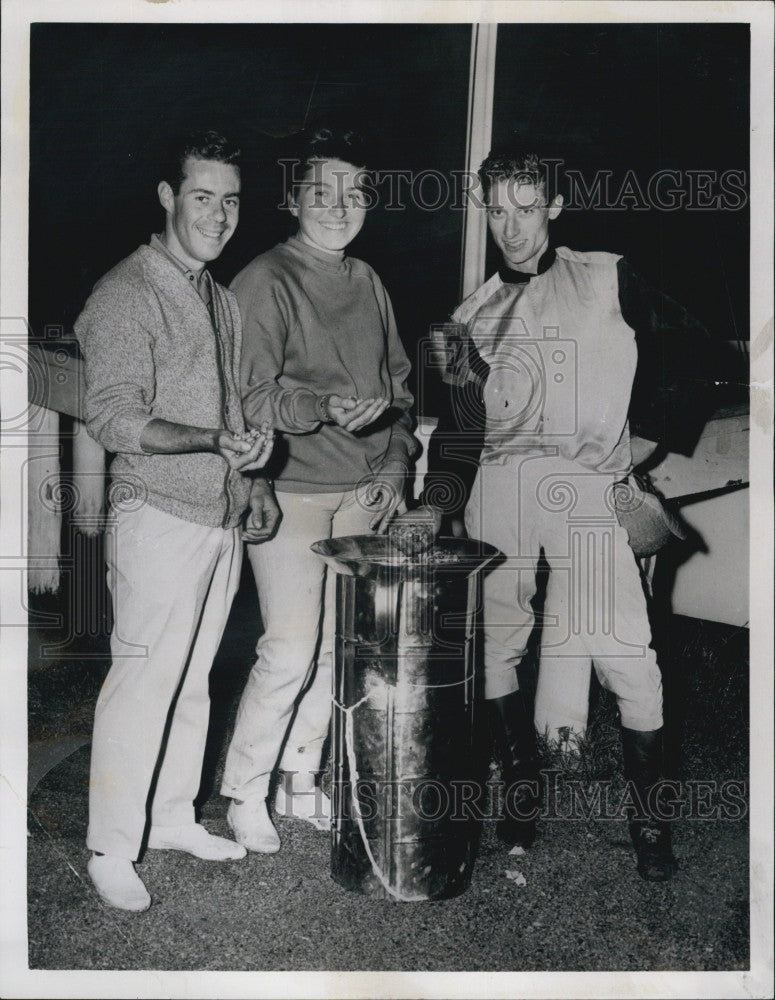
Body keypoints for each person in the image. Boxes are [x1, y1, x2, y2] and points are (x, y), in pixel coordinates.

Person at [415, 148, 720, 882]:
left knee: (623, 653)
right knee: (495, 646)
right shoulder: (468, 316)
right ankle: (519, 789)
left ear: (553, 207)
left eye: (525, 208)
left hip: (586, 483)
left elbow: (697, 353)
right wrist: (432, 505)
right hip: (500, 486)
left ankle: (650, 823)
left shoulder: (608, 275)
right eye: (496, 210)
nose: (510, 227)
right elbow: (459, 433)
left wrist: (644, 440)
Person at [75, 130, 274, 911]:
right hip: (155, 513)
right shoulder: (127, 292)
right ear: (166, 197)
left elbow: (228, 409)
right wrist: (207, 440)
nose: (218, 216)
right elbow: (115, 418)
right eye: (202, 198)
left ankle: (169, 817)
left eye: (229, 202)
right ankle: (108, 848)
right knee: (142, 683)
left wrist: (250, 464)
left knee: (191, 684)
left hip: (215, 516)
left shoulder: (215, 295)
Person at [220, 125, 418, 854]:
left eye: (354, 192)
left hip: (362, 492)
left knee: (340, 650)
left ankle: (298, 777)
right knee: (290, 647)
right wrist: (321, 407)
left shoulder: (367, 281)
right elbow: (247, 396)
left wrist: (396, 459)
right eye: (322, 191)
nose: (340, 206)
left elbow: (398, 389)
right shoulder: (265, 278)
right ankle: (242, 788)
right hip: (292, 489)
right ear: (293, 198)